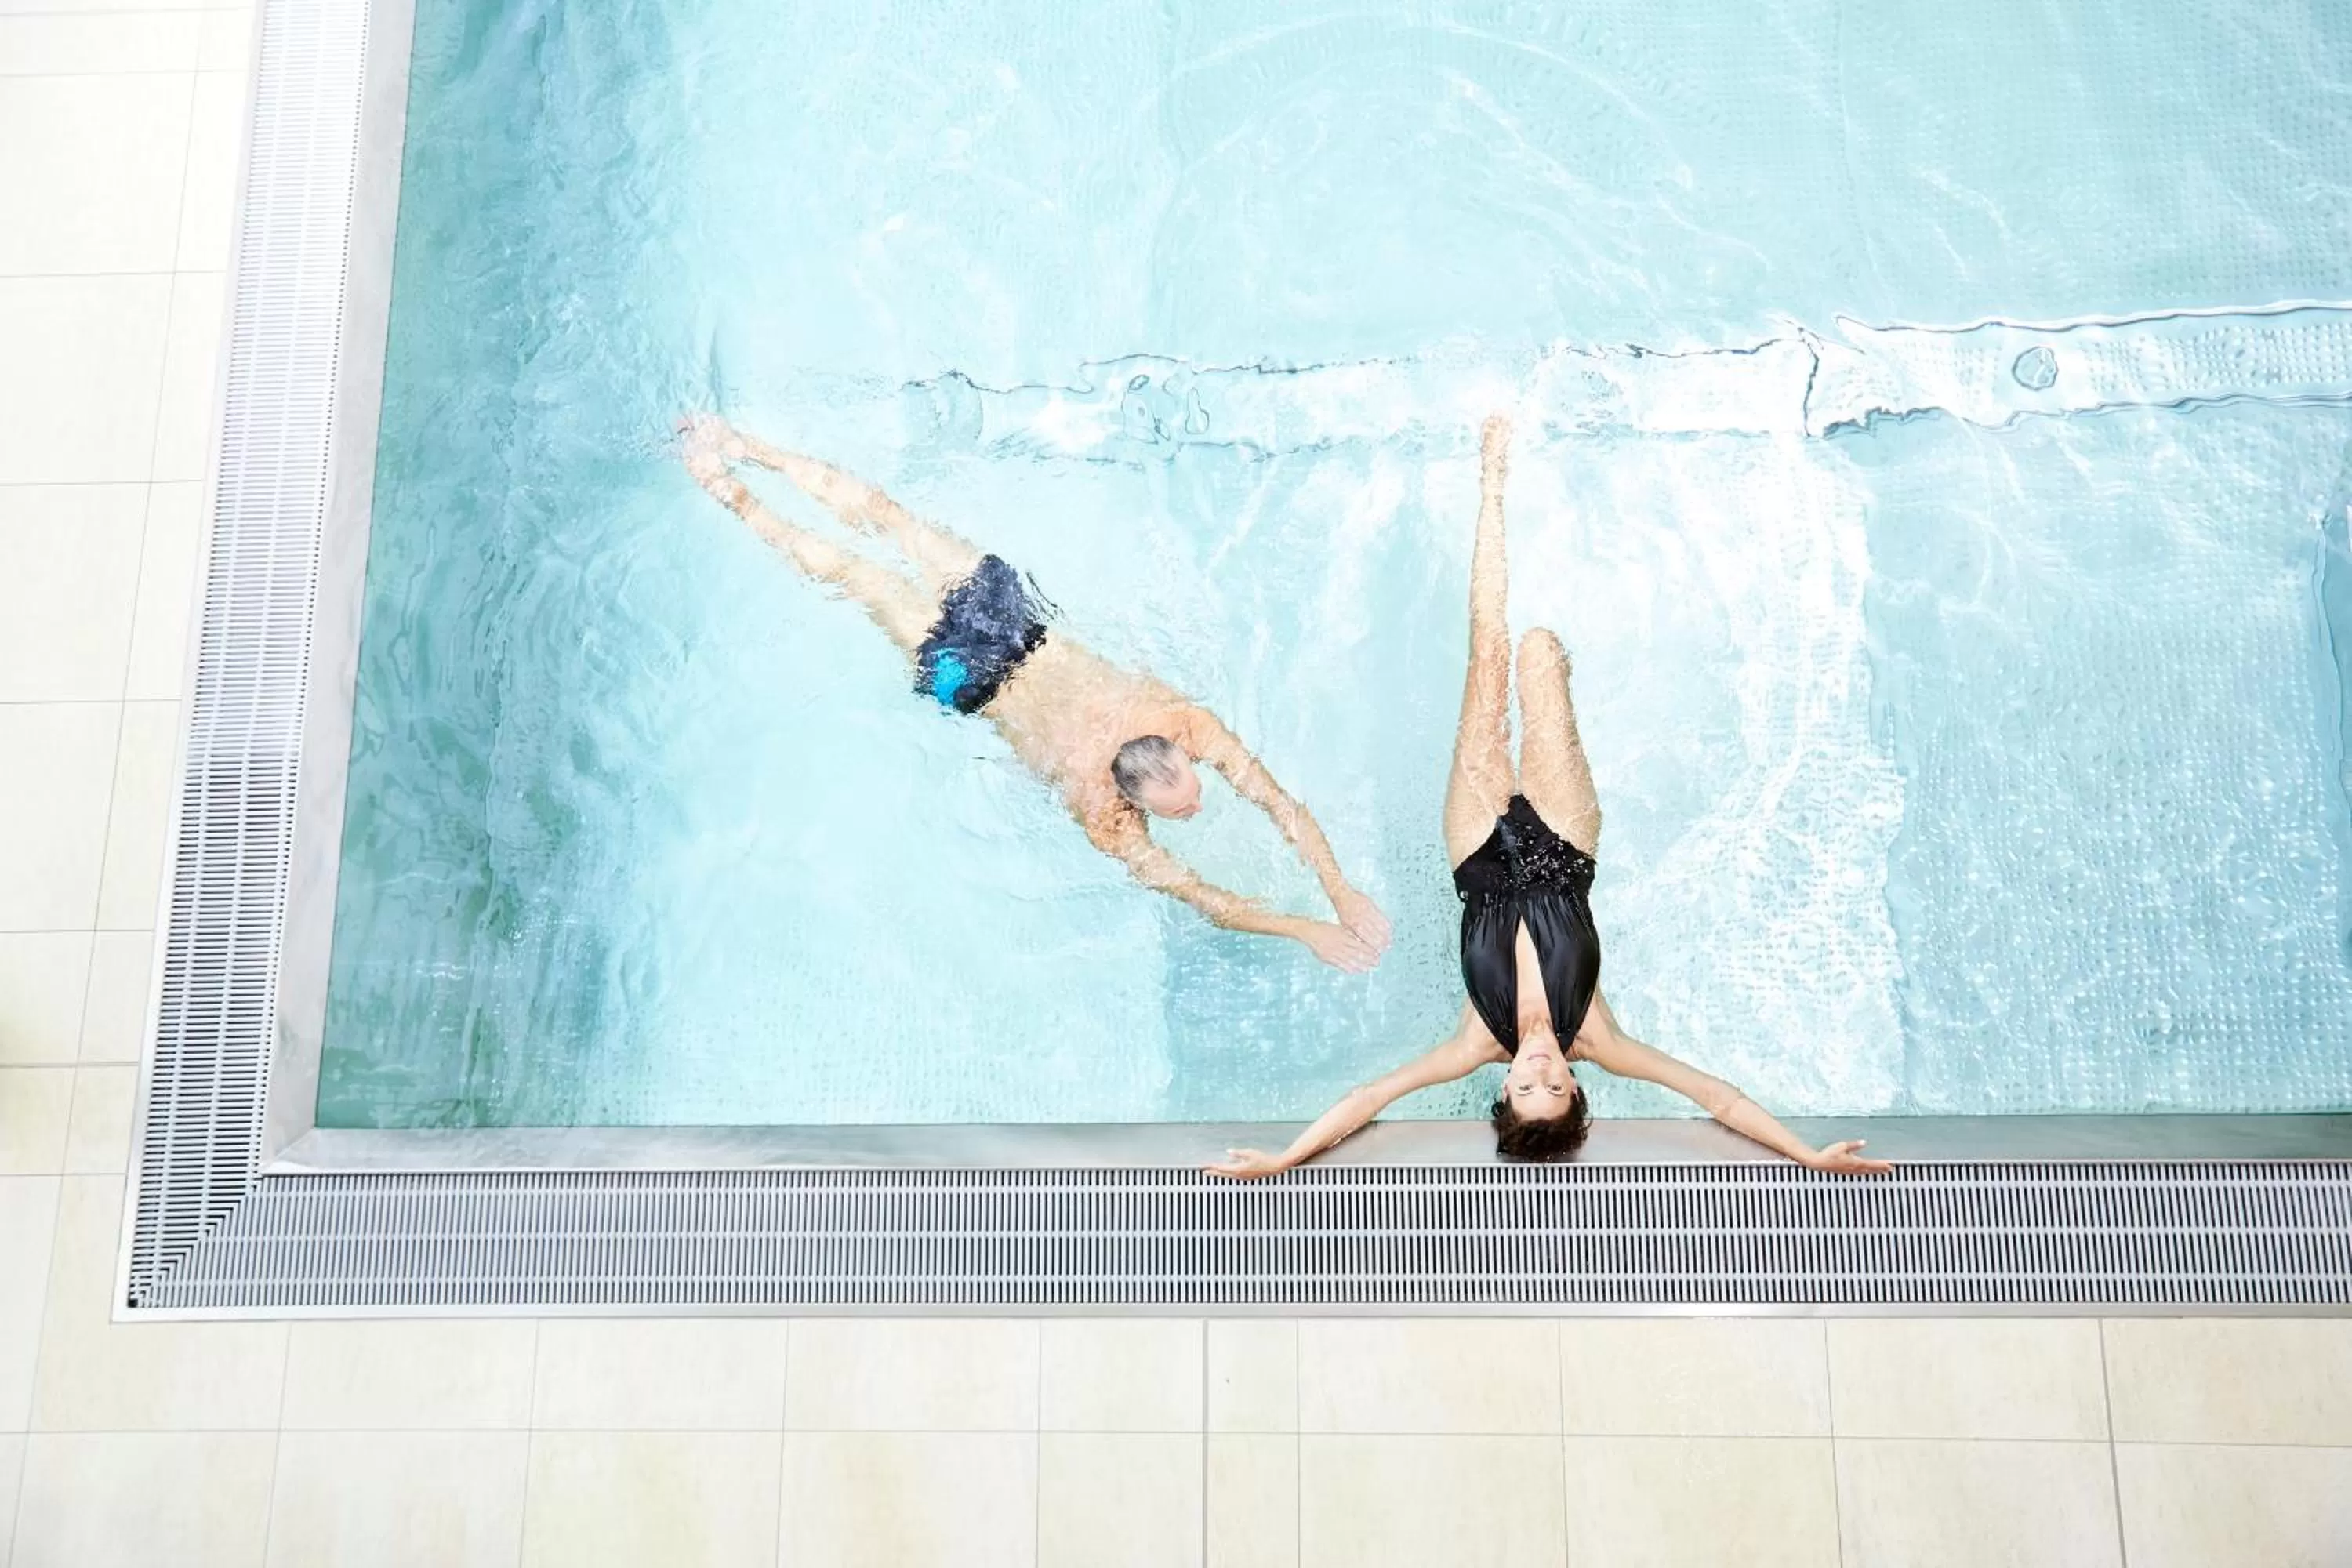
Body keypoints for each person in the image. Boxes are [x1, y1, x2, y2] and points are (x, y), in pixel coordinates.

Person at [1207, 416, 1893, 1174]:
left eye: (1525, 1084)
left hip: (1477, 857)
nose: (1538, 1064)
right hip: (1566, 849)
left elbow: (1371, 1097)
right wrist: (1810, 1156)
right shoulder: (1601, 1040)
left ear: (1502, 1088)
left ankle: (1492, 476)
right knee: (1538, 653)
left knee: (1491, 654)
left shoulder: (1474, 1043)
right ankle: (1574, 632)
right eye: (1555, 1083)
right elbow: (1718, 1099)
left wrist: (1280, 1160)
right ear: (1576, 1085)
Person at [679, 414, 1392, 971]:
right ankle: (734, 477)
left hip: (1007, 627)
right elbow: (1204, 890)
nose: (1200, 802)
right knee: (864, 558)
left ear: (1175, 748)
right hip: (979, 668)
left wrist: (1337, 892)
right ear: (1139, 795)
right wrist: (1304, 924)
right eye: (1183, 805)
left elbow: (1274, 809)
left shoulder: (1178, 723)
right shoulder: (1105, 808)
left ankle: (737, 464)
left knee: (875, 540)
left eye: (1189, 797)